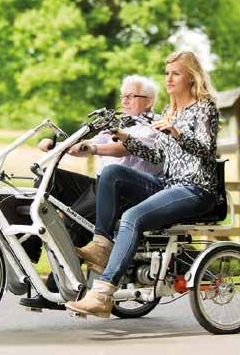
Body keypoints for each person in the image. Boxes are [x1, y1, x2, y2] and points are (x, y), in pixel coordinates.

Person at [65, 50, 220, 318]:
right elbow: (158, 155)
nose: (169, 79)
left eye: (176, 73)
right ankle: (101, 245)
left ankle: (102, 295)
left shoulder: (204, 108)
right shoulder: (170, 111)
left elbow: (207, 151)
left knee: (132, 216)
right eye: (167, 73)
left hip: (196, 188)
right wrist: (126, 137)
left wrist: (177, 133)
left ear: (191, 77)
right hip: (168, 184)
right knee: (112, 173)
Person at [19, 75, 164, 310]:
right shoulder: (118, 124)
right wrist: (57, 147)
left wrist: (95, 148)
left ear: (148, 101)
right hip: (102, 186)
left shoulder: (153, 126)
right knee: (51, 180)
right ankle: (32, 243)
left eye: (131, 96)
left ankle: (59, 290)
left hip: (128, 193)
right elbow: (85, 146)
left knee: (75, 217)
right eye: (123, 96)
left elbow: (121, 148)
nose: (124, 101)